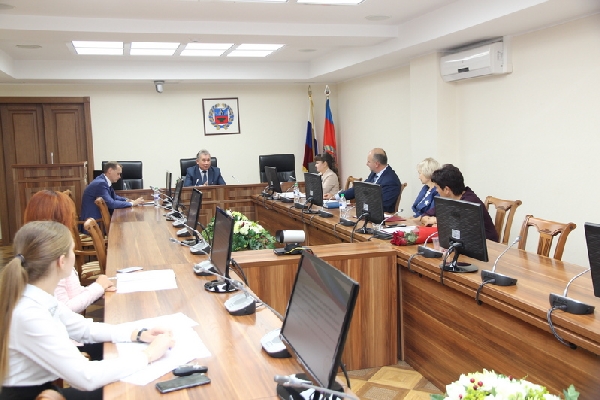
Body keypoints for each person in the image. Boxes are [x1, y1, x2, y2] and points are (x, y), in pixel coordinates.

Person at [0, 221, 174, 400]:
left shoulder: (35, 295)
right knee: (134, 391)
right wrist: (149, 354)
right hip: (31, 396)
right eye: (72, 251)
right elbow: (86, 377)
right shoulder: (29, 314)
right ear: (62, 261)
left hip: (43, 391)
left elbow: (84, 329)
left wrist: (138, 334)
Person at [24, 190, 115, 315]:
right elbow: (65, 309)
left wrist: (99, 290)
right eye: (70, 216)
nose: (73, 220)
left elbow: (72, 292)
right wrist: (98, 287)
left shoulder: (45, 247)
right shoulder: (49, 257)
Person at [419, 164, 499, 242]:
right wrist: (431, 220)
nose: (436, 190)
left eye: (437, 187)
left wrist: (436, 221)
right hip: (465, 243)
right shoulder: (448, 200)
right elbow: (425, 215)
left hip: (488, 245)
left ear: (447, 190)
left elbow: (456, 229)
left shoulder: (469, 203)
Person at [329, 148, 401, 213]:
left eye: (369, 162)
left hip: (380, 218)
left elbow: (383, 206)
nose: (366, 164)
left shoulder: (391, 181)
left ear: (376, 164)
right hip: (366, 213)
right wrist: (336, 196)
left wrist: (357, 206)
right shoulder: (374, 173)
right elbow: (359, 189)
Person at [80, 162, 145, 224]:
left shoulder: (103, 180)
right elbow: (111, 204)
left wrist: (127, 200)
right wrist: (132, 203)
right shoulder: (100, 183)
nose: (119, 177)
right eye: (118, 174)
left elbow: (114, 197)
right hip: (94, 222)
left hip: (98, 220)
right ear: (110, 170)